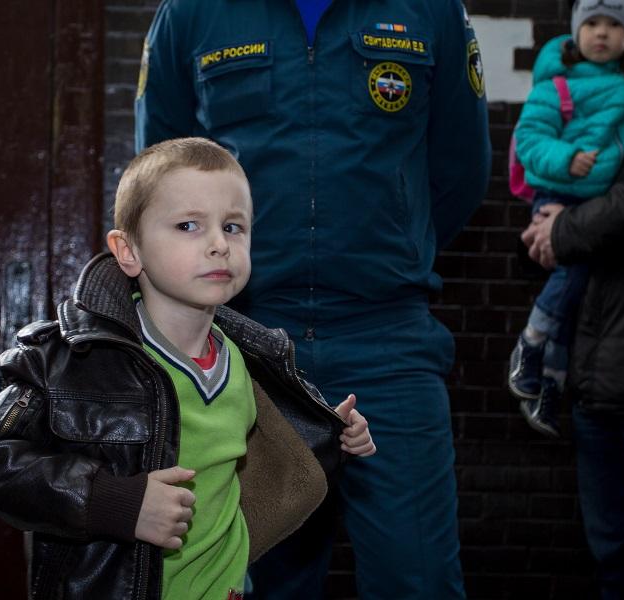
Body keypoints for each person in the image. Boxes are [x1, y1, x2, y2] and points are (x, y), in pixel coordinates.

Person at [135, 1, 490, 597]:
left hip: (388, 340)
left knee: (418, 577)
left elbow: (461, 170)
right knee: (258, 579)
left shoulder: (430, 10)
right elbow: (160, 182)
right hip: (246, 346)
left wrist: (390, 247)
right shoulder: (192, 13)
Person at [0, 137, 376, 599]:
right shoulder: (71, 358)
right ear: (128, 250)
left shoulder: (252, 357)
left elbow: (272, 467)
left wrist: (333, 436)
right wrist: (115, 502)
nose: (219, 244)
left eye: (233, 227)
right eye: (188, 225)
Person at [507, 0, 624, 439]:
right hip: (559, 193)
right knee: (571, 278)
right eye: (592, 23)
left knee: (580, 292)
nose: (601, 33)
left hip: (593, 204)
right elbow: (529, 140)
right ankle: (530, 341)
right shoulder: (558, 85)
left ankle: (549, 382)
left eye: (614, 25)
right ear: (576, 32)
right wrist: (567, 158)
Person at [522, 133, 624, 600]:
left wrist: (563, 227)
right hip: (596, 385)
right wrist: (547, 223)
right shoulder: (618, 118)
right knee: (612, 559)